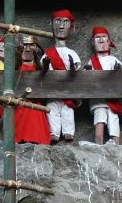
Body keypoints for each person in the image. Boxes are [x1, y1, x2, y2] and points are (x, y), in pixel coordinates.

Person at [40, 9, 81, 144]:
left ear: (71, 26)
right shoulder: (48, 53)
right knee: (51, 110)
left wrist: (72, 66)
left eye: (65, 22)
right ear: (51, 25)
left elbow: (75, 70)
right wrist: (46, 65)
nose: (61, 26)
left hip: (67, 92)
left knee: (68, 111)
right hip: (52, 90)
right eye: (57, 21)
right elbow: (43, 70)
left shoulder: (72, 53)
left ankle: (68, 132)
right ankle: (54, 133)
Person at [82, 26, 122, 145]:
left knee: (113, 123)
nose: (101, 40)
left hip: (112, 99)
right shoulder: (91, 62)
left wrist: (117, 70)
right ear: (92, 42)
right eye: (98, 37)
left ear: (109, 41)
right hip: (98, 99)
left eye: (104, 37)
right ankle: (98, 144)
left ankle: (116, 145)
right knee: (99, 121)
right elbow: (84, 79)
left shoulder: (113, 60)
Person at [14, 35, 51, 144]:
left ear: (37, 49)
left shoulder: (38, 68)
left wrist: (45, 67)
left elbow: (43, 78)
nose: (28, 49)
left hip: (36, 106)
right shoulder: (16, 68)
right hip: (19, 106)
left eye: (31, 46)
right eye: (25, 45)